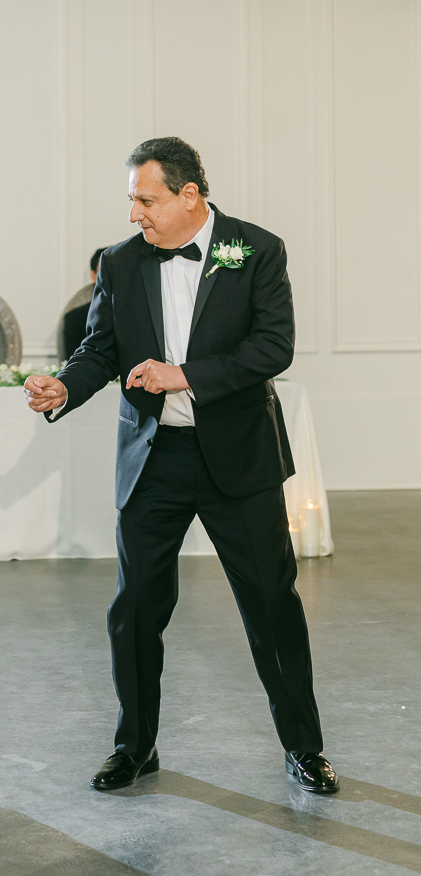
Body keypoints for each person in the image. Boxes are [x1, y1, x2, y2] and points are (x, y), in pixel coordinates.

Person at [24, 137, 338, 796]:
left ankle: (304, 750)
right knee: (134, 608)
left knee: (270, 607)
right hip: (154, 459)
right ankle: (135, 747)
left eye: (147, 200)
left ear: (188, 195)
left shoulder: (258, 249)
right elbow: (98, 349)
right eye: (132, 200)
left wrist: (185, 375)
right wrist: (65, 387)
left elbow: (273, 347)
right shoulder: (119, 262)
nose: (135, 213)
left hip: (239, 460)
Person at [61, 246, 109, 361]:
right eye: (103, 270)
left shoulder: (139, 313)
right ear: (93, 275)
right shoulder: (74, 319)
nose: (111, 277)